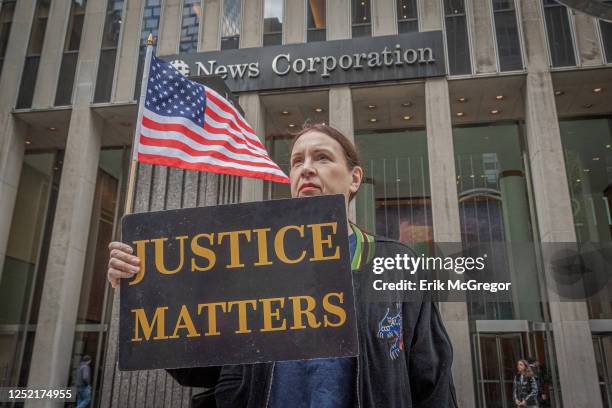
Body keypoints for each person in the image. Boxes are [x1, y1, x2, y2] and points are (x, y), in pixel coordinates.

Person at [107, 123, 457, 407]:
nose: (306, 168)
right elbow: (201, 367)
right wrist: (141, 290)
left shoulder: (398, 264)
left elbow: (432, 380)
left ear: (354, 179)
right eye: (296, 161)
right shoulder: (247, 264)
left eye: (321, 157)